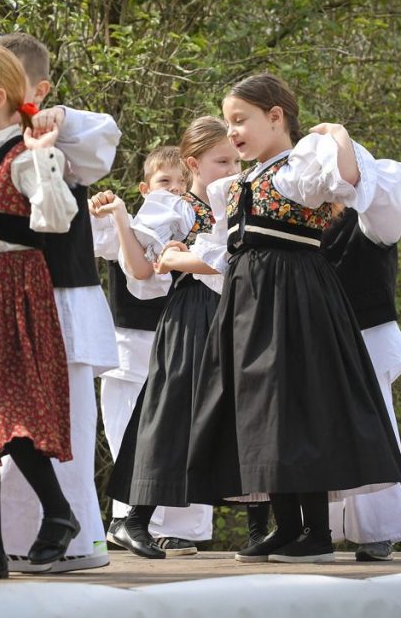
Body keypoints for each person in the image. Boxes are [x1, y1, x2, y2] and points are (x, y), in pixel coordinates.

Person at [184, 73, 401, 564]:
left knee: (299, 405)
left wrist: (339, 134)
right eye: (228, 122)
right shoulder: (238, 183)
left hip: (294, 299)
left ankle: (316, 533)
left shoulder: (300, 167)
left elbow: (347, 180)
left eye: (240, 120)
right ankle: (286, 526)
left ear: (276, 116)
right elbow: (224, 250)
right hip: (248, 303)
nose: (233, 131)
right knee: (260, 410)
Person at [0, 32, 121, 574]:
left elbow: (67, 194)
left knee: (39, 421)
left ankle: (69, 531)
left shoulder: (46, 146)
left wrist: (52, 136)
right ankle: (7, 543)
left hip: (35, 296)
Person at [94, 134, 232, 558]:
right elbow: (138, 269)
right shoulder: (159, 213)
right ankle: (130, 518)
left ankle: (187, 527)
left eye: (179, 181)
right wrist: (118, 215)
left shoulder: (222, 208)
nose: (174, 188)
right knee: (149, 422)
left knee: (204, 420)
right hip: (152, 335)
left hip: (211, 322)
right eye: (164, 181)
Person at [321, 152, 401, 562]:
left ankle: (380, 528)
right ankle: (316, 526)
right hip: (317, 338)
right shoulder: (304, 219)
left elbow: (391, 195)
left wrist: (343, 146)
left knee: (375, 427)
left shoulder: (372, 217)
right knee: (315, 431)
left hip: (366, 335)